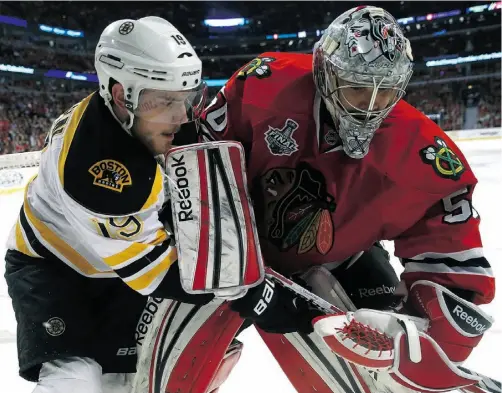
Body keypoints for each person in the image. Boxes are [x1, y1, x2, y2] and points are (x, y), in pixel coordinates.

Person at [198, 5, 495, 391]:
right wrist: (237, 271)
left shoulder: (424, 154)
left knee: (380, 379)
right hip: (230, 246)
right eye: (357, 86)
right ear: (325, 71)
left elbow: (457, 276)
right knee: (145, 367)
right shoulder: (263, 83)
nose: (370, 105)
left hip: (341, 259)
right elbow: (196, 174)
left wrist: (412, 332)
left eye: (385, 90)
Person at [3, 16, 213, 393]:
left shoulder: (133, 121)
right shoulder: (98, 168)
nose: (182, 116)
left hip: (117, 265)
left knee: (127, 383)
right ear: (121, 94)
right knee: (73, 381)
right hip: (53, 267)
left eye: (186, 97)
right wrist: (244, 292)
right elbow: (157, 274)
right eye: (165, 101)